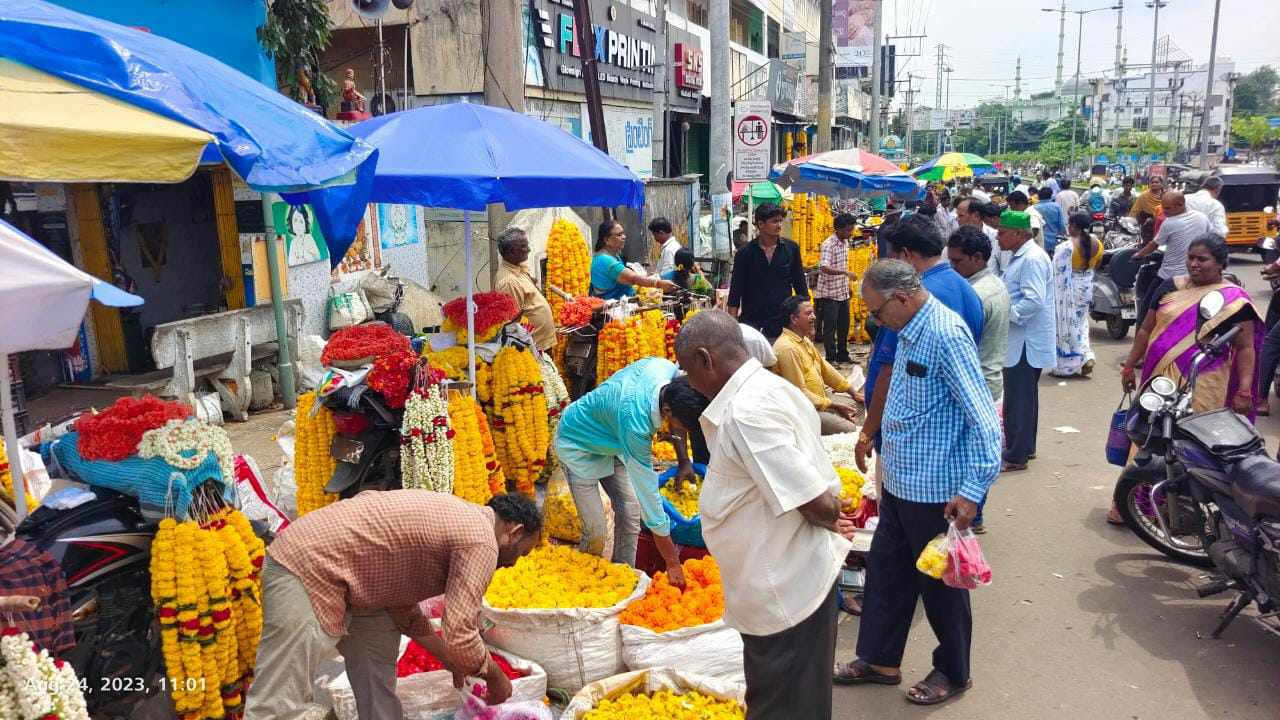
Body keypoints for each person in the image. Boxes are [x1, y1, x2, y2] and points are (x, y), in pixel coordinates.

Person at [833, 259, 1002, 706]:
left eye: (876, 310)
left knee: (941, 588)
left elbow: (985, 420)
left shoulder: (945, 334)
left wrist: (972, 490)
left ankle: (953, 671)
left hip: (936, 491)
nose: (873, 320)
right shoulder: (907, 329)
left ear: (902, 298)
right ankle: (879, 659)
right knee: (887, 577)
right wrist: (872, 432)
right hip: (901, 483)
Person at [674, 310, 853, 720]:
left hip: (785, 592)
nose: (690, 382)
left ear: (706, 359)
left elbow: (817, 501)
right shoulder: (771, 387)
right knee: (800, 701)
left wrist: (831, 518)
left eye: (688, 370)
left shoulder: (746, 413)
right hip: (788, 581)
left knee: (780, 705)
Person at [244, 492, 541, 719]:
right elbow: (460, 633)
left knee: (377, 675)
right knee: (279, 695)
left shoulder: (464, 521)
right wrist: (495, 676)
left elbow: (404, 610)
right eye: (522, 552)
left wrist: (450, 658)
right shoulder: (482, 542)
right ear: (513, 531)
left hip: (360, 583)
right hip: (306, 567)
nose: (514, 563)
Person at [1114, 234, 1262, 522]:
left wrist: (1244, 390)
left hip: (1204, 382)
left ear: (1220, 263)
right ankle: (1131, 503)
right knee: (1147, 436)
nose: (1194, 264)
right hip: (1159, 377)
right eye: (1191, 258)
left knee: (1193, 445)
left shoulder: (1232, 299)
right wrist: (1129, 365)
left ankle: (1183, 508)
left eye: (1202, 259)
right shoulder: (1170, 286)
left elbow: (1245, 347)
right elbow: (1145, 329)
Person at [554, 360, 708, 582]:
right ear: (666, 410)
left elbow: (681, 415)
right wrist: (672, 562)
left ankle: (622, 577)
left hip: (613, 440)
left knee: (630, 510)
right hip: (578, 443)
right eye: (682, 426)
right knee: (596, 530)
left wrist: (684, 460)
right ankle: (585, 582)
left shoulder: (665, 369)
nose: (681, 431)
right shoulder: (636, 425)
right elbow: (650, 500)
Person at [856, 214, 984, 478]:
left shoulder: (911, 299)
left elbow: (889, 372)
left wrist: (868, 431)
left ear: (906, 255)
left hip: (914, 447)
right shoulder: (967, 288)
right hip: (947, 440)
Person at [945, 226, 1012, 533]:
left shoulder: (976, 294)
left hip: (979, 380)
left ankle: (972, 513)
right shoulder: (994, 285)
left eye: (958, 262)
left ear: (976, 258)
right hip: (991, 376)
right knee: (978, 449)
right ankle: (975, 512)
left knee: (970, 452)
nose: (954, 267)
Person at [998, 210, 1056, 472]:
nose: (998, 237)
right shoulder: (1020, 257)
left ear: (1019, 234)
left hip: (1024, 340)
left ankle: (1016, 455)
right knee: (1023, 397)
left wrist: (1005, 313)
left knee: (1018, 398)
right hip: (1022, 339)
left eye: (1002, 232)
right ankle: (1024, 447)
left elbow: (1033, 299)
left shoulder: (1031, 259)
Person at [772, 296, 861, 435]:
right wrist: (833, 405)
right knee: (851, 429)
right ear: (794, 319)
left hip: (819, 403)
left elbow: (827, 370)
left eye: (813, 312)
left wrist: (854, 393)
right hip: (803, 411)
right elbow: (799, 394)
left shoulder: (804, 341)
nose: (814, 317)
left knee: (858, 405)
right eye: (808, 313)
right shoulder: (787, 348)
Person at [727, 202, 809, 340]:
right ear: (760, 224)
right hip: (752, 325)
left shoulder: (791, 249)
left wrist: (807, 322)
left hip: (783, 325)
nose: (779, 225)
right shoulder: (744, 254)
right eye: (774, 221)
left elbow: (801, 287)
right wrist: (733, 330)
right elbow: (735, 294)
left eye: (780, 221)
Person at [1133, 190, 1209, 324]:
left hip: (1170, 276)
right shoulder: (1202, 218)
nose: (1164, 211)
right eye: (1163, 207)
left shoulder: (1170, 223)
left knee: (1146, 310)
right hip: (1199, 274)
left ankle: (1141, 339)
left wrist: (1138, 255)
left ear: (1180, 205)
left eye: (1167, 208)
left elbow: (1154, 245)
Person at [1051, 212, 1103, 378]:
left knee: (1066, 325)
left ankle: (1068, 365)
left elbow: (1055, 271)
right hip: (1086, 287)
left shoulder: (1066, 247)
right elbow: (1097, 265)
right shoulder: (1098, 243)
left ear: (1073, 225)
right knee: (1081, 324)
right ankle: (1085, 356)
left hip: (1069, 289)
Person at [493, 228, 555, 353]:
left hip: (541, 344)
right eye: (523, 246)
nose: (529, 249)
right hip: (531, 348)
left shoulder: (518, 267)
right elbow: (513, 323)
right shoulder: (509, 282)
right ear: (511, 251)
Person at [591, 220, 678, 300]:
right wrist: (658, 284)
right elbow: (633, 279)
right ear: (607, 240)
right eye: (619, 235)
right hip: (612, 310)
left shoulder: (616, 256)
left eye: (623, 233)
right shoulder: (604, 260)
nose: (624, 237)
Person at [814, 213, 859, 363]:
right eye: (847, 230)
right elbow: (824, 267)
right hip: (829, 293)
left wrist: (847, 285)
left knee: (843, 326)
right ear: (838, 229)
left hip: (842, 291)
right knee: (830, 327)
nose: (850, 233)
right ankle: (831, 358)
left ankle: (843, 355)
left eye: (851, 229)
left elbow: (842, 264)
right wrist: (845, 273)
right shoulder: (829, 245)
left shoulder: (845, 242)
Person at [1033, 186, 1067, 254]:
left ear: (1039, 195)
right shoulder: (1056, 206)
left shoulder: (1034, 208)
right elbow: (1061, 225)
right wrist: (1064, 234)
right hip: (1053, 240)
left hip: (1039, 241)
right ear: (1051, 195)